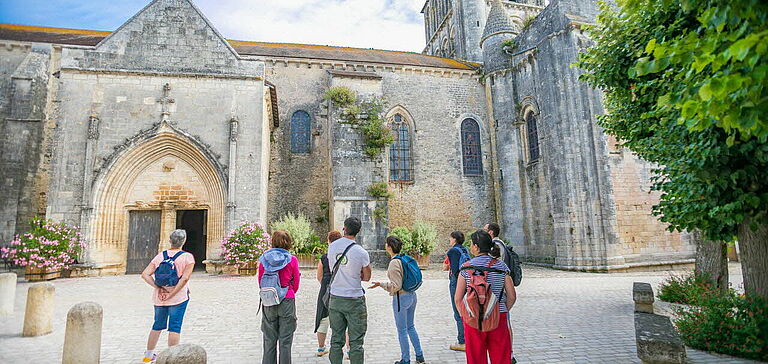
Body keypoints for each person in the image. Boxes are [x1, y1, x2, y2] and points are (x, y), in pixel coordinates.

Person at [455, 230, 516, 364]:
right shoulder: (501, 266)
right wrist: (502, 309)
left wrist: (465, 316)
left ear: (476, 247)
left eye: (471, 244)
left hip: (473, 319)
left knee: (475, 359)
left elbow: (458, 299)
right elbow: (512, 295)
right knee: (501, 358)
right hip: (498, 316)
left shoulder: (466, 268)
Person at [140, 229, 195, 363]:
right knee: (174, 327)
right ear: (184, 241)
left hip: (160, 298)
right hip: (179, 297)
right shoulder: (187, 257)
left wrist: (158, 287)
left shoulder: (160, 256)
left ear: (170, 240)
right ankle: (172, 357)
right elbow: (185, 278)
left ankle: (148, 355)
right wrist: (173, 293)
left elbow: (145, 274)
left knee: (157, 325)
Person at [370, 236, 426, 364]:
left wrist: (382, 285)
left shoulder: (394, 262)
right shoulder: (404, 258)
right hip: (412, 295)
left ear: (389, 247)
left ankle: (405, 359)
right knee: (411, 327)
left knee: (402, 331)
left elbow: (396, 286)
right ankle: (420, 356)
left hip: (401, 298)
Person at [328, 217, 372, 364]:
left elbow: (331, 268)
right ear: (358, 232)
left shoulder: (332, 247)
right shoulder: (361, 252)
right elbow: (366, 277)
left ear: (344, 228)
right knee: (356, 343)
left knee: (336, 339)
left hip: (336, 297)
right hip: (354, 298)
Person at [258, 230, 301, 364]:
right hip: (287, 299)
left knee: (269, 340)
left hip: (269, 300)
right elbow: (296, 283)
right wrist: (288, 292)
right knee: (285, 341)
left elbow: (260, 280)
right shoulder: (292, 259)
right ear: (289, 243)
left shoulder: (264, 258)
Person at [484, 222, 516, 363]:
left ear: (490, 232)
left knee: (504, 327)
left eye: (485, 230)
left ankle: (509, 354)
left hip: (498, 294)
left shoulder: (495, 247)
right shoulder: (500, 244)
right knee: (505, 326)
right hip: (500, 295)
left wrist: (504, 307)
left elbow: (497, 269)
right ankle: (508, 353)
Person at [315, 230, 342, 356]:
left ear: (329, 241)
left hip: (325, 289)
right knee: (344, 319)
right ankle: (347, 349)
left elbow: (319, 276)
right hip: (341, 288)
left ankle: (321, 348)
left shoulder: (324, 257)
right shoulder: (343, 257)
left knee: (323, 318)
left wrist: (326, 285)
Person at [443, 231, 469, 352]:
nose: (449, 240)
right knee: (466, 309)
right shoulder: (465, 249)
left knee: (457, 310)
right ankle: (469, 338)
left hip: (456, 282)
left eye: (450, 238)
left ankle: (462, 340)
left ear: (454, 239)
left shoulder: (452, 251)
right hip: (467, 281)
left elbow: (453, 269)